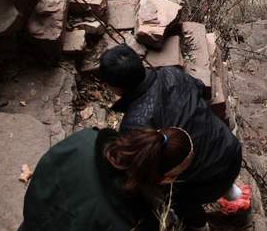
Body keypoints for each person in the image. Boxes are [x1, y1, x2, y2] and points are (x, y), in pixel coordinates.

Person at [98, 45, 251, 229]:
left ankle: (200, 226)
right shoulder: (171, 74)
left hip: (204, 184)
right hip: (230, 152)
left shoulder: (133, 126)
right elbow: (201, 89)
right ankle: (234, 194)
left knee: (174, 191)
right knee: (205, 145)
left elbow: (147, 170)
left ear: (116, 87)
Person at [20, 127, 165, 231]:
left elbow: (45, 169)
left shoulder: (85, 139)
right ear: (163, 178)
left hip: (33, 221)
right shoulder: (126, 223)